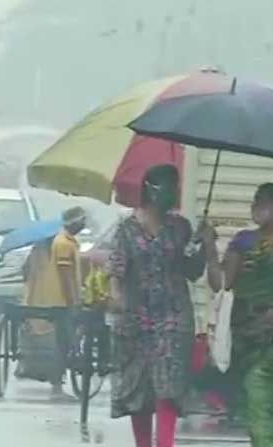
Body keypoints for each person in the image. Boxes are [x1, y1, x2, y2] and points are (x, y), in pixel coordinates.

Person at [107, 164, 207, 447]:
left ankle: (165, 443)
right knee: (140, 388)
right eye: (171, 186)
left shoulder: (180, 227)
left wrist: (201, 244)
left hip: (173, 318)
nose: (176, 193)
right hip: (136, 318)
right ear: (152, 190)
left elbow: (192, 271)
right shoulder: (126, 229)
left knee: (168, 386)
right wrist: (115, 297)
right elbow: (116, 269)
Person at [203, 183, 273, 446]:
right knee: (256, 409)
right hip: (250, 338)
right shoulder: (244, 241)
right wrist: (210, 247)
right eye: (255, 201)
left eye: (264, 201)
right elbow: (221, 284)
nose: (256, 206)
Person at [17, 207, 87, 399]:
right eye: (82, 220)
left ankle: (57, 382)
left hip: (46, 300)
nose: (84, 224)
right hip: (60, 301)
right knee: (63, 342)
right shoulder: (63, 244)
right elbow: (65, 277)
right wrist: (73, 300)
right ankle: (56, 385)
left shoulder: (61, 244)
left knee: (63, 341)